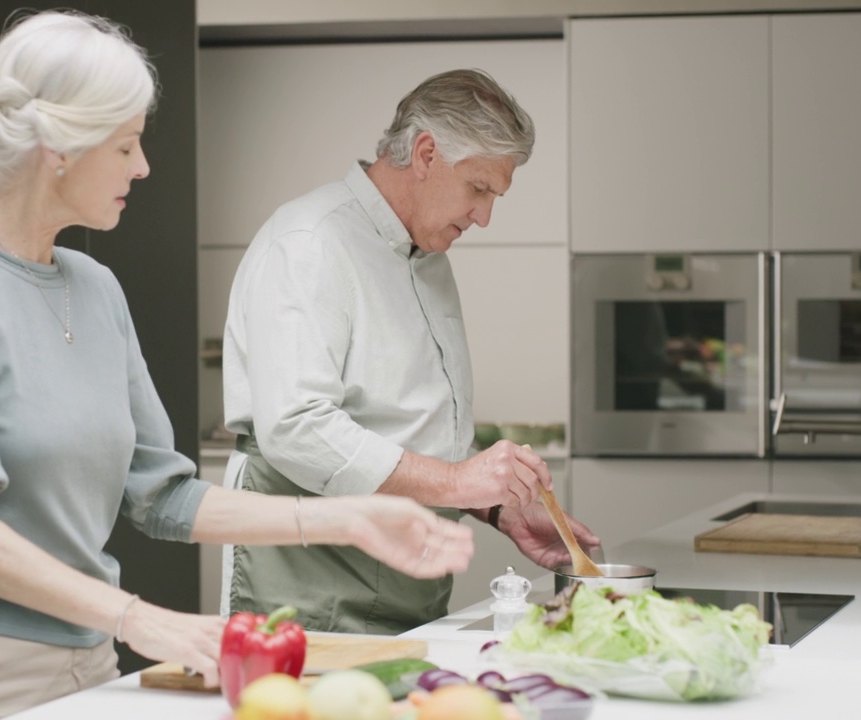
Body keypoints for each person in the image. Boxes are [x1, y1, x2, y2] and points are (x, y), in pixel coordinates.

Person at [0, 11, 474, 720]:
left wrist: (352, 518)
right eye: (126, 145)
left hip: (90, 652)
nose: (143, 166)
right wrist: (140, 618)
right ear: (60, 148)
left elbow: (165, 496)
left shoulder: (95, 290)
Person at [222, 69, 600, 634]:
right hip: (310, 569)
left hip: (405, 571)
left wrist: (497, 507)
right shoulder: (311, 242)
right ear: (425, 154)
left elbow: (405, 427)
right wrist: (456, 484)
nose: (485, 216)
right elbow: (297, 428)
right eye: (479, 189)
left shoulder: (426, 257)